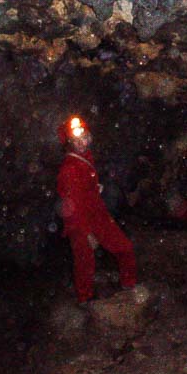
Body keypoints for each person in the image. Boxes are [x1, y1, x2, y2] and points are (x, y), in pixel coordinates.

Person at [56, 116, 137, 303]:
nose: (81, 143)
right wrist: (87, 233)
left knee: (124, 248)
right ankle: (86, 301)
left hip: (97, 214)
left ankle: (128, 287)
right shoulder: (69, 168)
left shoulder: (86, 158)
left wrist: (94, 188)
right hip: (78, 222)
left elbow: (84, 189)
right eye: (76, 140)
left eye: (84, 138)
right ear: (70, 143)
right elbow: (73, 206)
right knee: (85, 263)